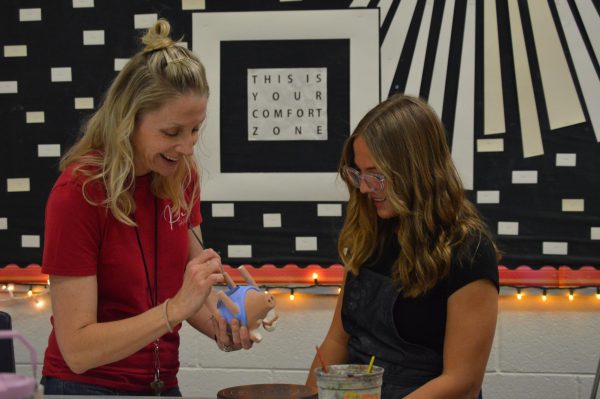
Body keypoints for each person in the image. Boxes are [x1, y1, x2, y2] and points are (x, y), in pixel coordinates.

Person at [40, 19, 253, 396]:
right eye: (172, 133)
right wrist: (174, 309)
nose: (187, 148)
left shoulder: (180, 176)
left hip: (159, 384)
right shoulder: (80, 193)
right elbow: (77, 350)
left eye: (195, 130)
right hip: (88, 387)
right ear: (127, 120)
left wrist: (229, 324)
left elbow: (194, 294)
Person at [306, 94, 500, 398]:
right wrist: (314, 394)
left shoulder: (468, 251)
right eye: (359, 173)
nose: (365, 188)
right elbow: (337, 341)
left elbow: (463, 381)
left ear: (415, 171)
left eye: (377, 175)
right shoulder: (372, 234)